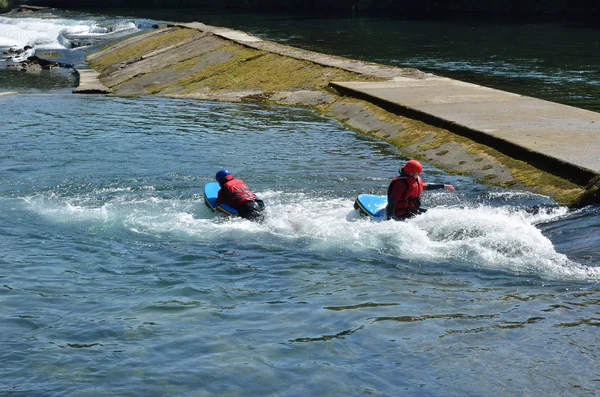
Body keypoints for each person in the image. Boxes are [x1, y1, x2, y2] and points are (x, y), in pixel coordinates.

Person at [386, 160, 455, 220]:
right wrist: (389, 218)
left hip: (411, 210)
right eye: (418, 173)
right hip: (401, 214)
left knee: (434, 215)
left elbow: (426, 186)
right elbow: (392, 201)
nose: (419, 174)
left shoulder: (413, 179)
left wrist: (444, 186)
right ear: (411, 173)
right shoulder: (401, 184)